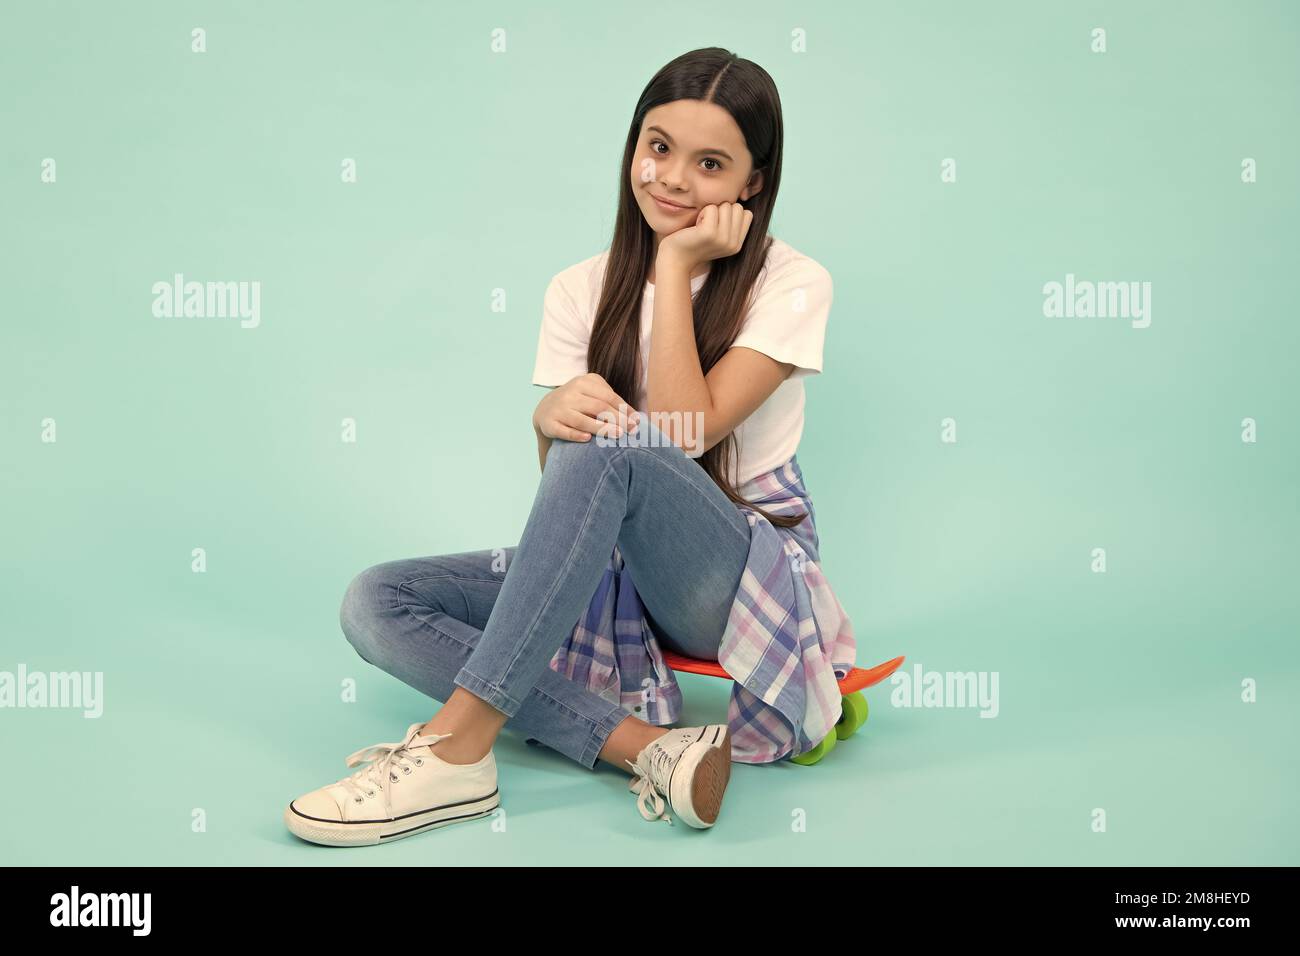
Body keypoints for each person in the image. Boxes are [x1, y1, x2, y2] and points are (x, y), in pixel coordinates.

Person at [284, 46, 849, 847]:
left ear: (753, 183)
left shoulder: (791, 282)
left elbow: (689, 434)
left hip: (733, 578)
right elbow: (576, 494)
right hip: (616, 576)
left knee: (618, 440)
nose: (673, 179)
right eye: (657, 148)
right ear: (632, 147)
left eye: (711, 163)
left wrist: (677, 263)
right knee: (376, 601)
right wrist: (544, 426)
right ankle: (649, 749)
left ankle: (457, 751)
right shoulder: (578, 288)